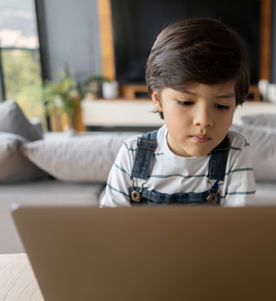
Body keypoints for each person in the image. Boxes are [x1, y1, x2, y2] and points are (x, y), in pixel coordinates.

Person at [100, 18, 256, 207]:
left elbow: (239, 230)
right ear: (157, 99)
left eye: (221, 106)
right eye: (186, 102)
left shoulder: (234, 151)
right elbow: (112, 229)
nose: (204, 121)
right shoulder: (132, 154)